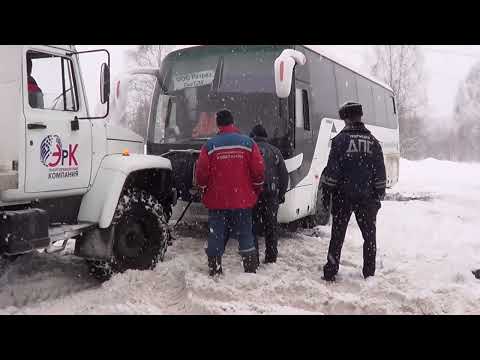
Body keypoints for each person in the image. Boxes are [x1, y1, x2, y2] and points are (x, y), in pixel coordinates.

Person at [321, 101, 386, 282]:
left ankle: (331, 269)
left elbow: (332, 172)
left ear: (347, 119)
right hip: (367, 198)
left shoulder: (340, 141)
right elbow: (380, 173)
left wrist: (327, 193)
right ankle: (369, 272)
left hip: (343, 196)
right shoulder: (374, 142)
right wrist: (378, 194)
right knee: (369, 236)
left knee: (338, 235)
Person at [195, 109, 265, 276]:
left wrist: (203, 189)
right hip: (242, 200)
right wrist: (255, 189)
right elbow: (259, 170)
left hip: (217, 200)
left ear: (218, 124)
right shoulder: (248, 143)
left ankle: (215, 268)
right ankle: (249, 269)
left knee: (216, 234)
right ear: (233, 122)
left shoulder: (210, 145)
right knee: (245, 234)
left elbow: (201, 174)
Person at [249, 124, 289, 264]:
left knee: (252, 227)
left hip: (253, 195)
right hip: (271, 195)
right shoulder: (275, 151)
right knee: (271, 227)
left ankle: (253, 258)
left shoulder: (249, 150)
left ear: (253, 136)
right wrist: (281, 194)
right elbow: (284, 176)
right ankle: (271, 257)